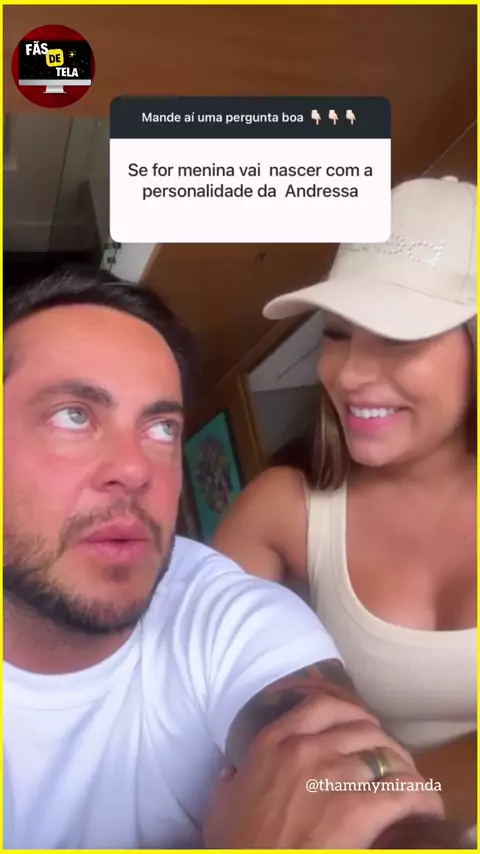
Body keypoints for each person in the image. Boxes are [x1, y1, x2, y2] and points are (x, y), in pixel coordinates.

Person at [3, 266, 448, 850]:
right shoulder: (291, 502)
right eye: (74, 415)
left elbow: (343, 790)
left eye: (161, 428)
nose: (135, 469)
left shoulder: (221, 615)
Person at [213, 176, 477, 755]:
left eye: (397, 337)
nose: (349, 373)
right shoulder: (286, 508)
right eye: (336, 334)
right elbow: (192, 694)